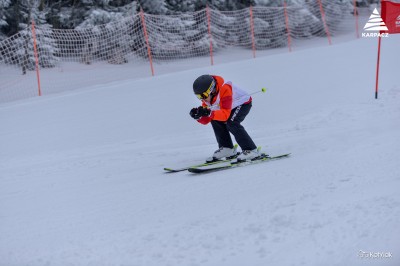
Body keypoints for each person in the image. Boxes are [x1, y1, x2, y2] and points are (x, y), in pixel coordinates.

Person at [189, 74, 260, 162]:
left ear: (212, 90)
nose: (202, 99)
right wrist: (199, 116)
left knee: (231, 122)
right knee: (214, 118)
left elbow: (225, 115)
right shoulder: (207, 99)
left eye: (203, 95)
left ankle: (251, 150)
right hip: (227, 108)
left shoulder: (224, 88)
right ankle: (227, 149)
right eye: (199, 96)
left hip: (242, 104)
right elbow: (207, 120)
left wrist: (209, 113)